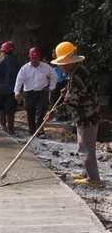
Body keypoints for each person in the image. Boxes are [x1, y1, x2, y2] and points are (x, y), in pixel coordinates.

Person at [45, 41, 100, 188]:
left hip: (87, 115)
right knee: (82, 146)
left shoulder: (77, 76)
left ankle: (94, 179)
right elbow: (77, 92)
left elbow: (71, 104)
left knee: (87, 149)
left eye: (62, 63)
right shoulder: (76, 72)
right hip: (84, 115)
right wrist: (66, 90)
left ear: (70, 63)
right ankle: (86, 173)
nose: (60, 66)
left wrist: (53, 113)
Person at [14, 47, 56, 137]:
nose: (34, 60)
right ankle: (32, 131)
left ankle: (40, 131)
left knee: (41, 111)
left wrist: (50, 87)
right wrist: (17, 92)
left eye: (36, 58)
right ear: (30, 58)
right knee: (30, 111)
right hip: (29, 93)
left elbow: (53, 76)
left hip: (42, 92)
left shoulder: (46, 68)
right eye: (32, 58)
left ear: (39, 57)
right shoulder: (24, 69)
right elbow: (19, 81)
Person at [0, 41, 22, 134]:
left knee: (0, 109)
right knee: (10, 110)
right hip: (12, 90)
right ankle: (11, 129)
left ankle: (3, 127)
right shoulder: (17, 63)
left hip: (0, 90)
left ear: (3, 51)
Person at [50, 49, 68, 121]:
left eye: (54, 52)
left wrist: (64, 79)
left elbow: (64, 73)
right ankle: (58, 115)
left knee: (58, 99)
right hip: (55, 82)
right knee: (54, 99)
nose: (53, 54)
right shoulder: (55, 63)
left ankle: (61, 115)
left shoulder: (60, 63)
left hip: (60, 83)